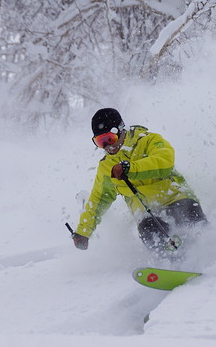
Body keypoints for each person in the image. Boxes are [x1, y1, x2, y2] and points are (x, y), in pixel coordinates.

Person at [71, 108, 206, 254]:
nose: (107, 147)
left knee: (190, 220)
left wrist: (130, 169)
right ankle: (170, 263)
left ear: (120, 130)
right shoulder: (106, 167)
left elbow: (164, 161)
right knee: (148, 229)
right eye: (100, 142)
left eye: (109, 139)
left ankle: (209, 250)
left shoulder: (148, 140)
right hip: (148, 214)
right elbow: (98, 200)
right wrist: (83, 231)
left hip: (177, 198)